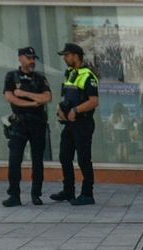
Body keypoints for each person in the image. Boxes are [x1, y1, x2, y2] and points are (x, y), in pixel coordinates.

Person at [3, 46, 52, 208]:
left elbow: (47, 97)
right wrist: (33, 103)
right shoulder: (11, 76)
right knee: (14, 160)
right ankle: (14, 195)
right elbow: (11, 98)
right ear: (20, 58)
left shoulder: (39, 78)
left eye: (33, 59)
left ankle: (36, 194)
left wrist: (25, 94)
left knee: (37, 161)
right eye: (28, 58)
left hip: (37, 123)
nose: (32, 62)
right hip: (19, 124)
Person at [50, 42, 98, 206]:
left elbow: (94, 101)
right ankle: (68, 190)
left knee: (84, 159)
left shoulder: (88, 76)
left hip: (83, 123)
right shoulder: (70, 74)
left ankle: (87, 193)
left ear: (76, 56)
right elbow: (67, 97)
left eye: (67, 55)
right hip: (69, 124)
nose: (65, 58)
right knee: (64, 156)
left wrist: (75, 110)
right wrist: (61, 109)